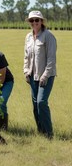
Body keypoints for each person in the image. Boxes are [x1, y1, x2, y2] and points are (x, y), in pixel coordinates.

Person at [24, 10, 57, 138]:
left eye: (37, 20)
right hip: (32, 75)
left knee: (41, 102)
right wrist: (26, 71)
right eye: (31, 20)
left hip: (46, 76)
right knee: (35, 104)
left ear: (41, 21)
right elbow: (26, 56)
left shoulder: (48, 36)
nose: (34, 22)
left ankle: (49, 133)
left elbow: (51, 59)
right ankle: (41, 131)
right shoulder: (28, 37)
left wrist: (45, 75)